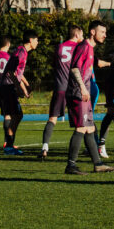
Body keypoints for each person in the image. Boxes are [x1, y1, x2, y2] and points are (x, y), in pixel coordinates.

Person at [65, 21, 114, 174]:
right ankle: (71, 165)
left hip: (84, 93)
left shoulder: (91, 49)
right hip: (78, 93)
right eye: (102, 32)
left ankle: (98, 164)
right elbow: (74, 67)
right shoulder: (84, 47)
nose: (105, 35)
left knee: (90, 128)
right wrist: (81, 88)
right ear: (93, 32)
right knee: (81, 127)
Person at [42, 26, 84, 159]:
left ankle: (44, 148)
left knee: (52, 118)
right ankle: (91, 149)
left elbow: (55, 65)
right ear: (77, 35)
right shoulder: (79, 48)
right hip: (74, 88)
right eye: (82, 34)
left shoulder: (59, 47)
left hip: (60, 86)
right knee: (83, 121)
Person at [0, 31, 39, 155]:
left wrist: (25, 87)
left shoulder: (22, 52)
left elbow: (18, 72)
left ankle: (9, 145)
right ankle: (9, 146)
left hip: (8, 87)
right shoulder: (21, 52)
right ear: (31, 40)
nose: (38, 42)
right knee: (17, 115)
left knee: (16, 115)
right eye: (36, 40)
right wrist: (18, 87)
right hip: (7, 87)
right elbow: (11, 71)